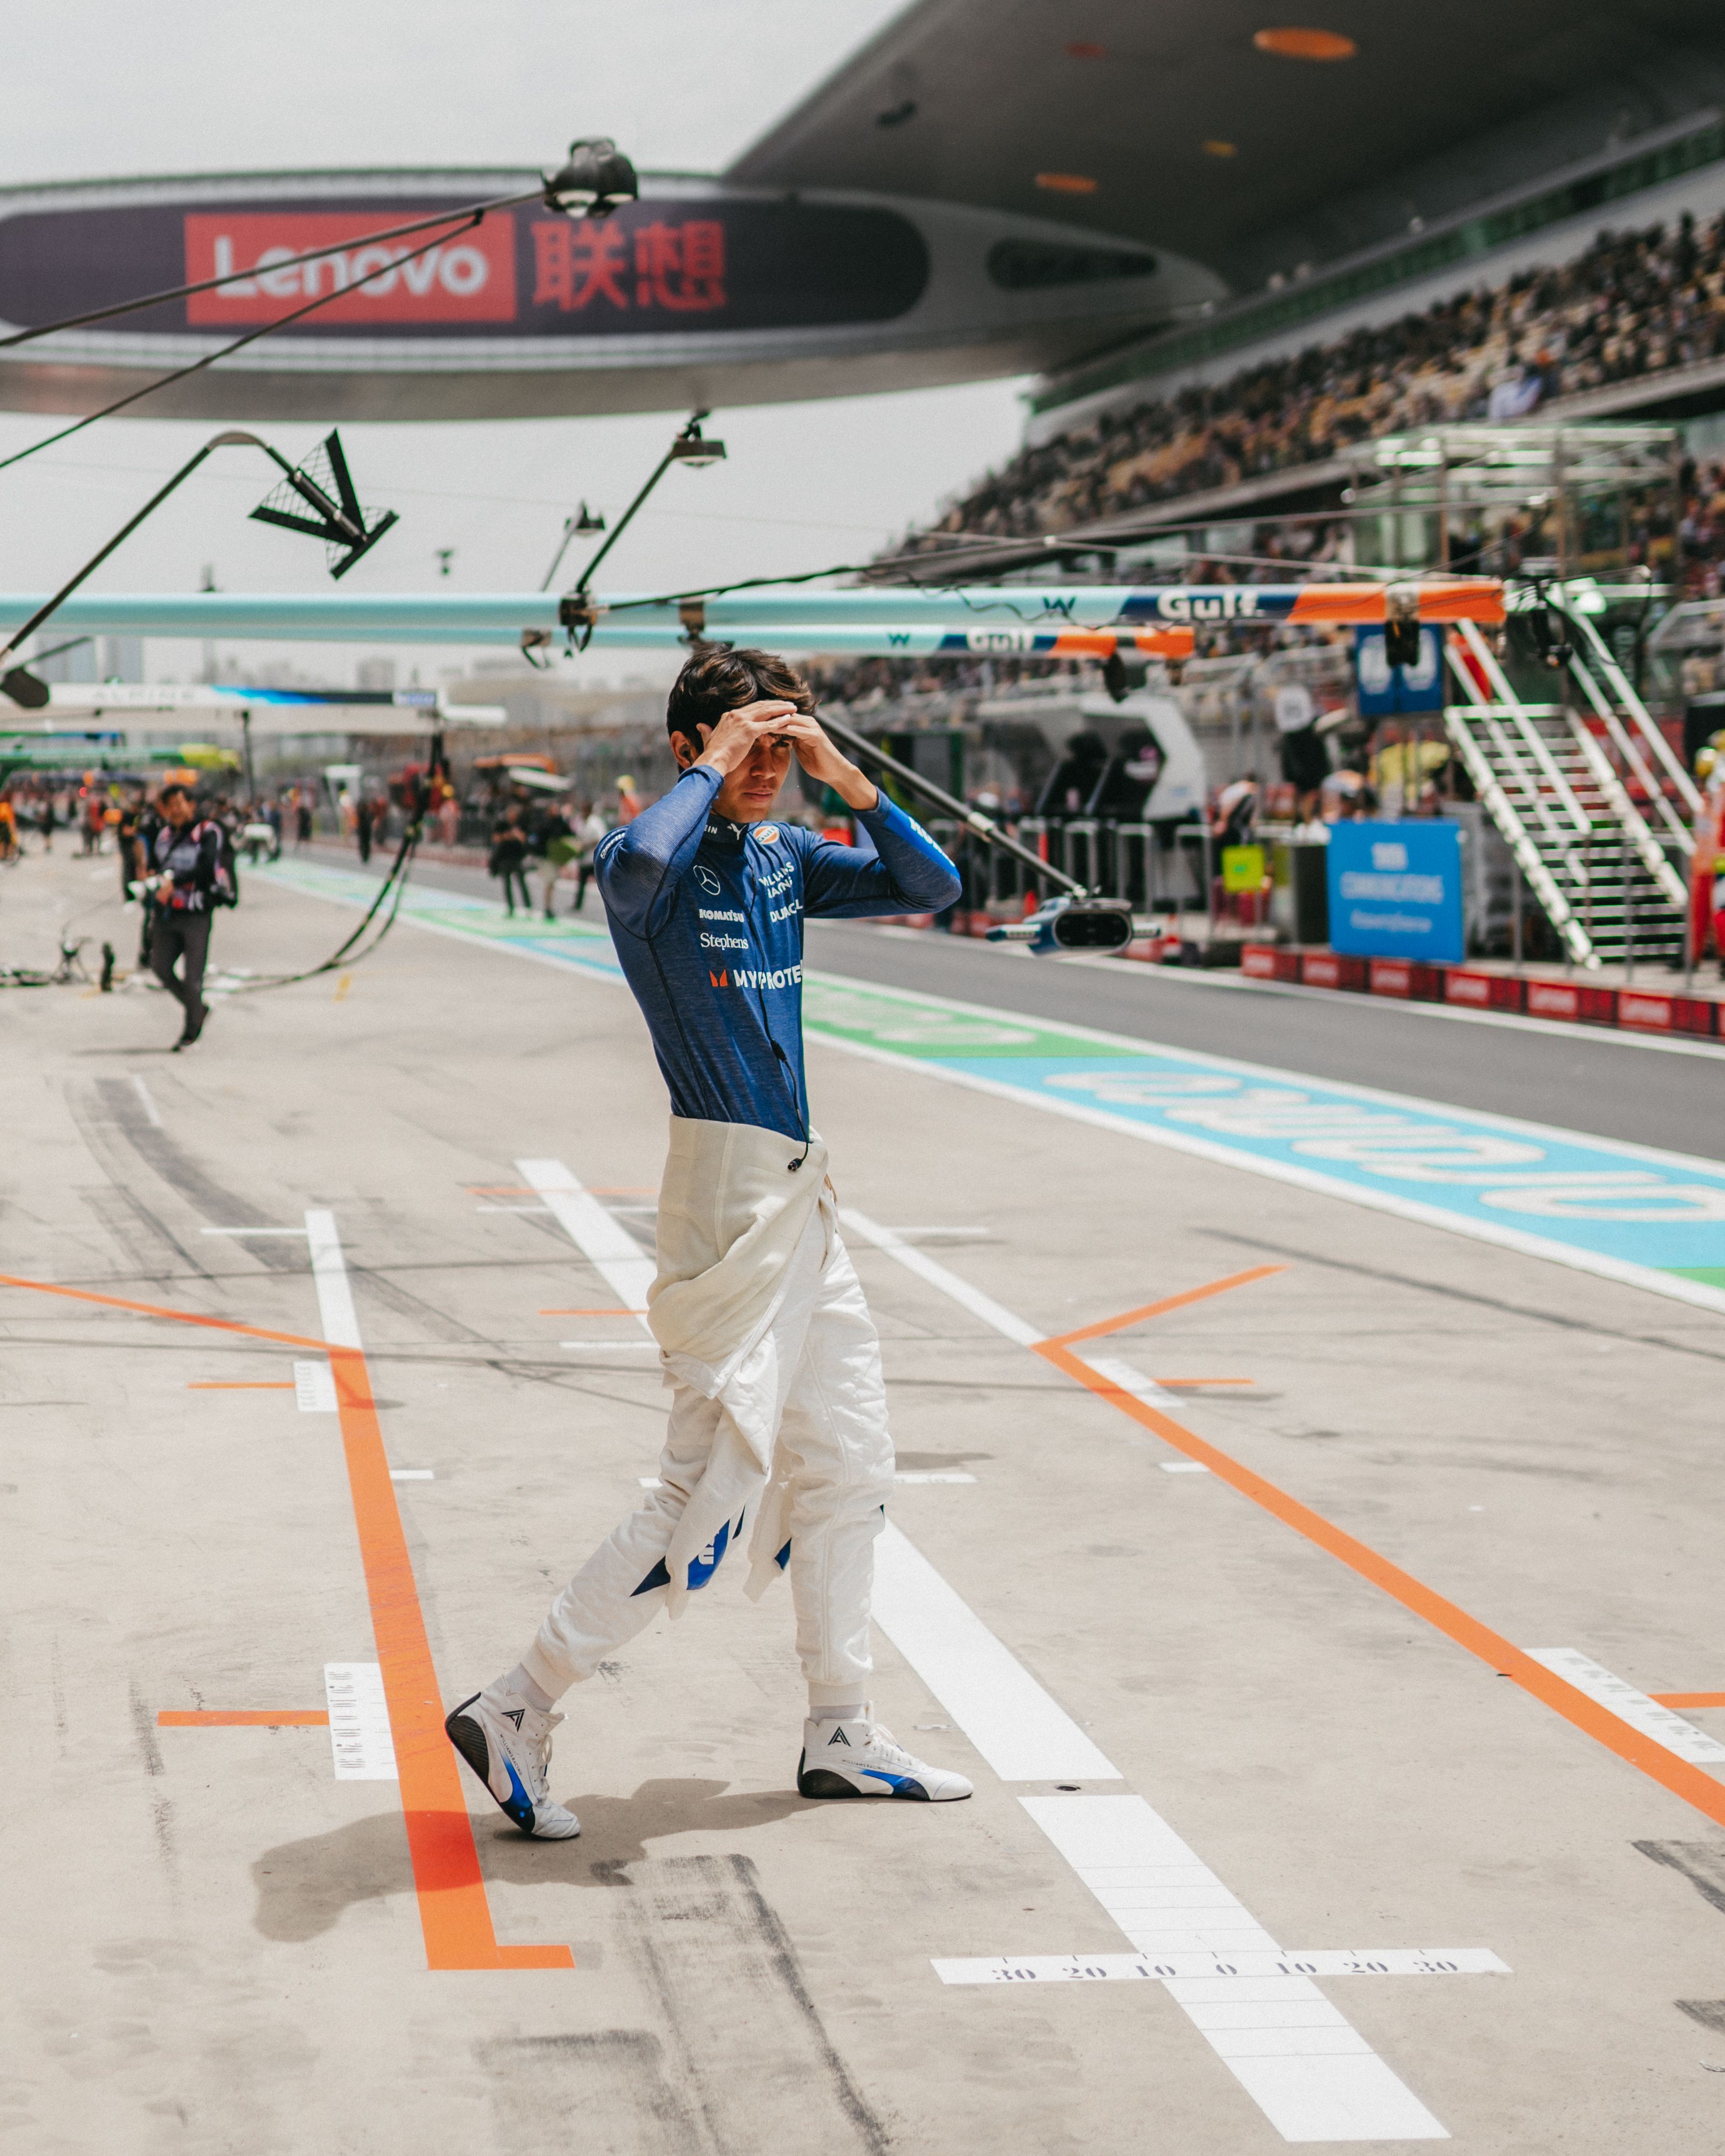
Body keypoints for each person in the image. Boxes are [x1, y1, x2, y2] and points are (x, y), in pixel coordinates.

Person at [444, 645, 972, 1839]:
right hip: (726, 1199)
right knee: (707, 1494)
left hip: (802, 1194)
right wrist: (717, 763)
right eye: (745, 746)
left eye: (780, 746)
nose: (766, 766)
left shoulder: (784, 854)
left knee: (851, 1462)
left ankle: (840, 1726)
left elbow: (933, 883)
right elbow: (636, 859)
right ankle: (518, 1702)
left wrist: (842, 772)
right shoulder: (647, 866)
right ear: (688, 747)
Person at [145, 784, 227, 1048]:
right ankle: (198, 1009)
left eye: (179, 804)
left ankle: (191, 1029)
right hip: (168, 913)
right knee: (160, 967)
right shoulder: (164, 835)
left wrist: (175, 881)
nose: (175, 811)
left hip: (196, 914)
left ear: (191, 805)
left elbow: (206, 869)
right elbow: (155, 866)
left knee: (193, 980)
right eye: (169, 806)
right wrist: (154, 882)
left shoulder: (208, 832)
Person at [488, 803, 532, 914]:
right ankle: (510, 906)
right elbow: (495, 838)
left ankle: (528, 906)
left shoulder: (520, 824)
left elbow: (525, 838)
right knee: (507, 883)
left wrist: (516, 835)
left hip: (517, 857)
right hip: (504, 857)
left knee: (522, 882)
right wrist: (506, 836)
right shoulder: (502, 824)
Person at [355, 794, 374, 865]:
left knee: (366, 843)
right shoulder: (361, 813)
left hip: (366, 829)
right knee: (363, 842)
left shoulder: (366, 812)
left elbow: (371, 818)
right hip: (363, 829)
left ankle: (366, 855)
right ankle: (364, 855)